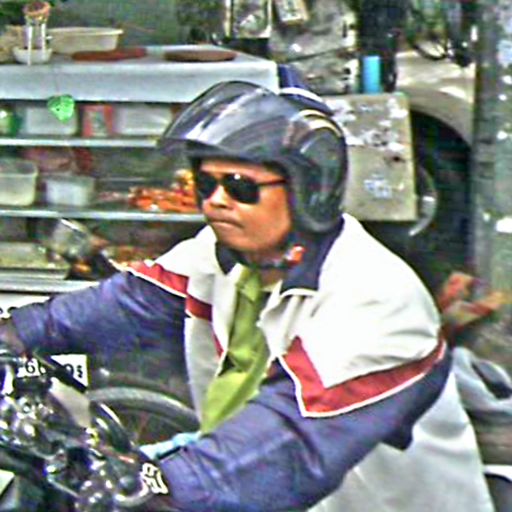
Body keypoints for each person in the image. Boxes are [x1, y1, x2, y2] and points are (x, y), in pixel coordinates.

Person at [0, 80, 494, 511]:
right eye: (205, 183)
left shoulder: (375, 297)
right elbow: (129, 302)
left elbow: (288, 442)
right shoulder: (226, 256)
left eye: (240, 186)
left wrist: (161, 485)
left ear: (308, 189)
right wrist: (16, 333)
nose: (216, 201)